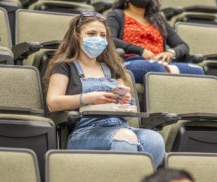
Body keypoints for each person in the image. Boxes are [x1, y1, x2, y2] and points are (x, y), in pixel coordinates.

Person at [45, 11, 165, 166]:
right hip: (85, 132)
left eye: (102, 35)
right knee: (125, 138)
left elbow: (128, 103)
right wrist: (88, 98)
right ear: (77, 36)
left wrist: (125, 101)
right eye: (91, 33)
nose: (98, 39)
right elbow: (53, 102)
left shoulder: (112, 67)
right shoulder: (64, 66)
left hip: (121, 126)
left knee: (155, 140)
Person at [106, 0, 204, 85]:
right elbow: (110, 40)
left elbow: (183, 45)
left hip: (161, 63)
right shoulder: (116, 15)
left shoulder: (158, 19)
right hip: (129, 62)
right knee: (155, 68)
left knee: (196, 70)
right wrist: (141, 51)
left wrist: (171, 52)